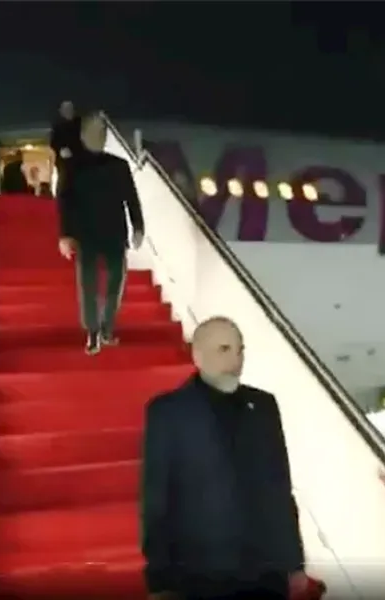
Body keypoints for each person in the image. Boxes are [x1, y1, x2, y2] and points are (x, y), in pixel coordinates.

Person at [140, 316, 310, 600]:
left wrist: (294, 563)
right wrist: (159, 580)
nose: (236, 360)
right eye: (224, 349)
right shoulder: (167, 411)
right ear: (197, 355)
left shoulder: (264, 405)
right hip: (200, 574)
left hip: (265, 573)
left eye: (240, 350)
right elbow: (157, 498)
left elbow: (279, 488)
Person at [56, 110, 145, 355]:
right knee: (89, 285)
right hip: (86, 235)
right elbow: (65, 201)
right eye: (93, 131)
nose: (98, 136)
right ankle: (93, 331)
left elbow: (131, 199)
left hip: (115, 233)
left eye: (101, 132)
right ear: (83, 135)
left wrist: (138, 227)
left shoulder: (119, 165)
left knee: (115, 282)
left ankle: (107, 327)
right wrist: (65, 235)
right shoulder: (72, 167)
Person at [50, 100, 82, 198]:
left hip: (80, 165)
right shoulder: (58, 127)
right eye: (65, 109)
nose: (67, 111)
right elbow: (54, 143)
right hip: (64, 166)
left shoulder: (80, 125)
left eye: (69, 109)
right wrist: (60, 150)